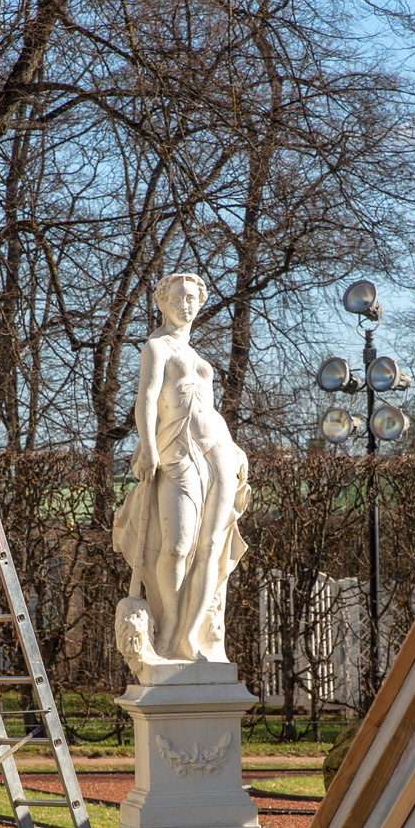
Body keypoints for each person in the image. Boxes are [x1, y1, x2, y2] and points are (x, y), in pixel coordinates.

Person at [112, 272, 251, 662]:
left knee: (212, 547)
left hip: (219, 451)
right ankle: (169, 630)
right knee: (176, 547)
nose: (184, 305)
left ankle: (191, 637)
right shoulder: (157, 346)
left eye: (191, 298)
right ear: (162, 303)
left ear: (200, 303)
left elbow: (209, 410)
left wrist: (235, 448)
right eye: (176, 298)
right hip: (177, 450)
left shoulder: (196, 356)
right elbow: (146, 400)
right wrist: (148, 446)